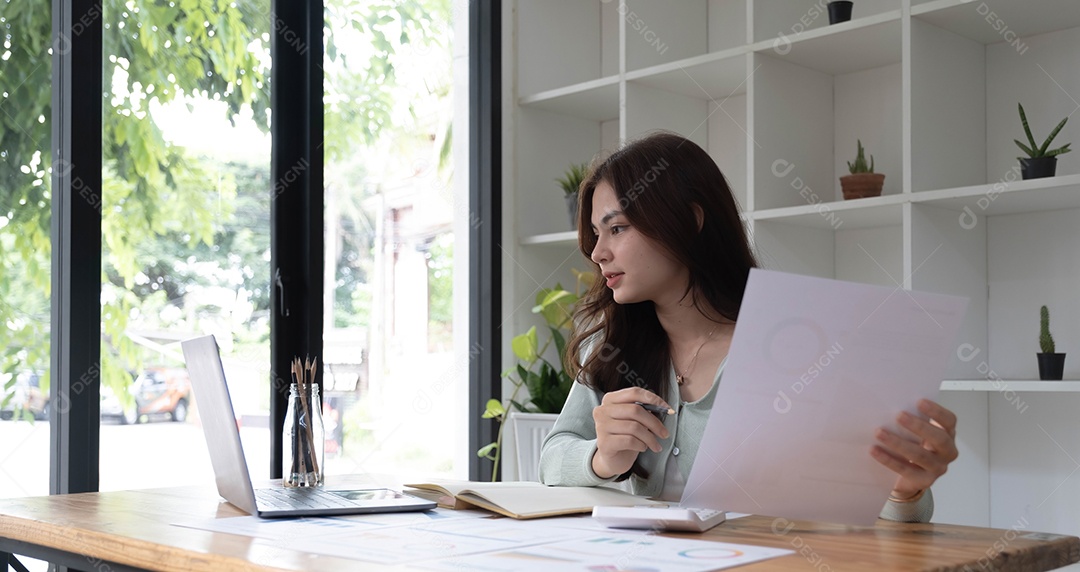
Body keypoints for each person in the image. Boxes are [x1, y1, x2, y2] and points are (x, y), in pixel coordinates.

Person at [537, 131, 957, 523]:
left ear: (689, 220)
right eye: (595, 234)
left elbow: (876, 515)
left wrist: (903, 491)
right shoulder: (616, 348)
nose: (597, 253)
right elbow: (553, 455)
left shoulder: (796, 348)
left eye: (617, 228)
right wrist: (602, 458)